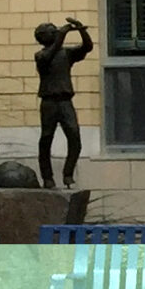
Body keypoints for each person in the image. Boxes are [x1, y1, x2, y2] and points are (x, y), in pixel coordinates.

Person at [31, 16, 91, 188]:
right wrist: (62, 34)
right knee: (46, 138)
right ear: (43, 36)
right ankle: (47, 178)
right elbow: (49, 55)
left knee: (74, 138)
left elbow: (87, 47)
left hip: (65, 102)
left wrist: (81, 30)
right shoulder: (41, 55)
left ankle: (68, 174)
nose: (56, 31)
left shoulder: (66, 53)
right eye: (52, 30)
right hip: (49, 102)